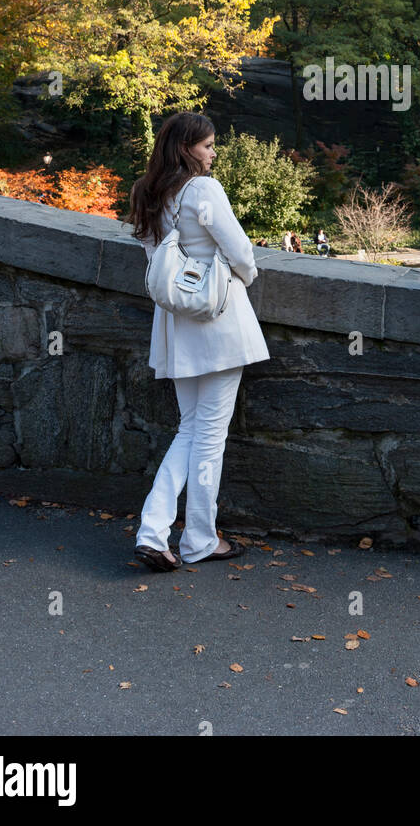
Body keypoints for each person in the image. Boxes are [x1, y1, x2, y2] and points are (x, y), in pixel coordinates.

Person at [126, 111, 269, 571]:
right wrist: (244, 277)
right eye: (207, 145)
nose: (212, 153)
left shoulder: (148, 193)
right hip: (217, 320)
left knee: (191, 429)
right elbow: (240, 252)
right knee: (208, 437)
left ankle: (154, 531)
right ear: (187, 147)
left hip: (175, 325)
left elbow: (155, 264)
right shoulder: (203, 190)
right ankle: (199, 541)